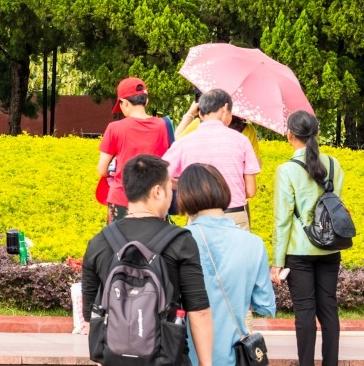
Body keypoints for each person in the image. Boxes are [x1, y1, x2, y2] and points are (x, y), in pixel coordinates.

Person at [79, 155, 216, 366]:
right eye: (170, 188)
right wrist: (206, 364)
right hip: (168, 359)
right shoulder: (181, 241)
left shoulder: (99, 242)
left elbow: (90, 314)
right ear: (158, 191)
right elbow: (199, 311)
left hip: (114, 359)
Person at [268, 110, 344, 366]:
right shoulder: (334, 165)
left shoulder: (286, 170)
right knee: (328, 309)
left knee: (304, 312)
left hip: (298, 252)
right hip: (330, 248)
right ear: (317, 133)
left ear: (289, 135)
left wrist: (277, 262)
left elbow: (282, 220)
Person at [180, 165, 274, 366]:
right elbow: (265, 305)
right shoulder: (254, 243)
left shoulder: (179, 241)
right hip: (234, 356)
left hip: (187, 355)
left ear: (185, 197)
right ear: (223, 190)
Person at [163, 89, 260, 230]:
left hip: (198, 218)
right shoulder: (242, 141)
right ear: (226, 109)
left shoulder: (184, 142)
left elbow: (160, 177)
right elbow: (251, 191)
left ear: (200, 112)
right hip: (234, 216)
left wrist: (188, 186)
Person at [97, 76, 172, 223]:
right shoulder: (162, 126)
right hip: (154, 201)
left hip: (122, 199)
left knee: (119, 244)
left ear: (124, 103)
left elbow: (101, 170)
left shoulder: (115, 128)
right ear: (146, 101)